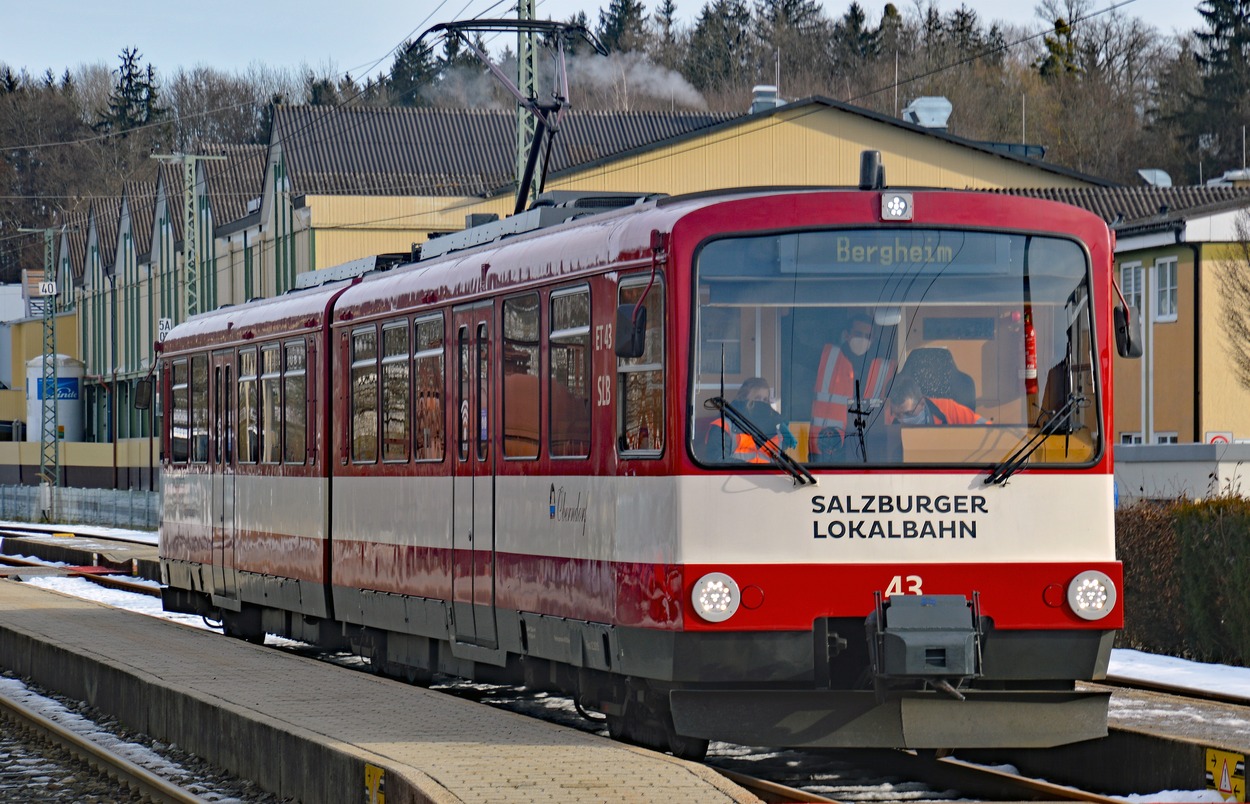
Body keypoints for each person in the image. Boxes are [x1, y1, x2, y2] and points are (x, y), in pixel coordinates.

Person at [810, 312, 894, 457]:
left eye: (867, 336)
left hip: (869, 446)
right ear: (847, 334)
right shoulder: (827, 357)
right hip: (828, 446)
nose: (862, 339)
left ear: (873, 339)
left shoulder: (885, 366)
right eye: (858, 333)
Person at [705, 377, 797, 463]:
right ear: (743, 398)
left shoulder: (776, 430)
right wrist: (753, 470)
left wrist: (781, 426)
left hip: (769, 479)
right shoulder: (723, 426)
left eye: (765, 400)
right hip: (737, 479)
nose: (761, 403)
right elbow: (717, 460)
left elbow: (781, 465)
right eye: (757, 398)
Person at [886, 374, 987, 426]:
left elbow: (987, 429)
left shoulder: (947, 409)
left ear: (922, 403)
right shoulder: (883, 418)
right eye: (896, 414)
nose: (902, 419)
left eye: (907, 413)